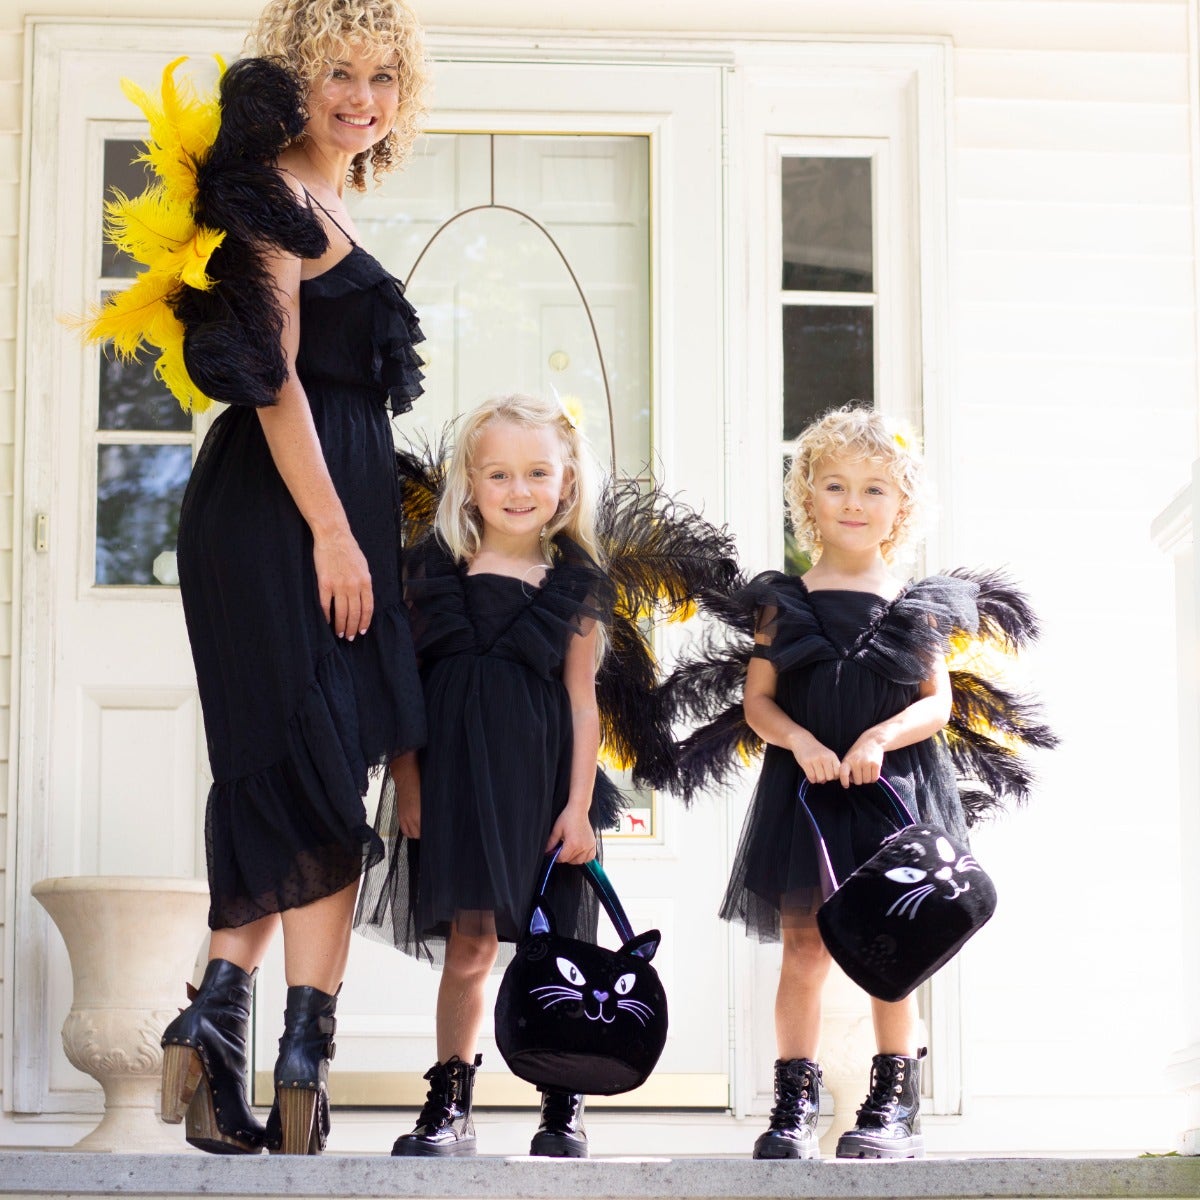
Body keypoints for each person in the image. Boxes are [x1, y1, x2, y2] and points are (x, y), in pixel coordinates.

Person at [96, 0, 430, 1157]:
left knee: (306, 767)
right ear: (292, 78)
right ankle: (296, 1052)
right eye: (338, 70)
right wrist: (337, 535)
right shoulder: (263, 200)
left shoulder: (334, 199)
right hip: (280, 510)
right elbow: (276, 380)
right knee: (304, 760)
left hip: (328, 501)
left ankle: (229, 1019)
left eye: (383, 75)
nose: (363, 95)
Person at [665, 404, 1052, 1161]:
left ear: (902, 506)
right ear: (807, 500)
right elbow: (758, 702)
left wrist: (880, 735)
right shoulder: (785, 600)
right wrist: (800, 740)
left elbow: (936, 702)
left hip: (893, 790)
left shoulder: (918, 604)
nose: (852, 502)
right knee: (804, 947)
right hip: (805, 796)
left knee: (892, 943)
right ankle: (794, 1101)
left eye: (874, 489)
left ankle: (892, 1102)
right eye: (835, 486)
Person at [355, 393, 627, 1159]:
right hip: (455, 783)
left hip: (541, 788)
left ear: (567, 483)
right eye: (499, 473)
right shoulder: (430, 573)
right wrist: (407, 780)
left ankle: (563, 1101)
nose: (518, 489)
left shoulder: (574, 585)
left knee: (560, 950)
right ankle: (450, 1098)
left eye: (537, 472)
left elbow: (581, 704)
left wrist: (579, 808)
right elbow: (404, 689)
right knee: (471, 947)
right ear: (468, 484)